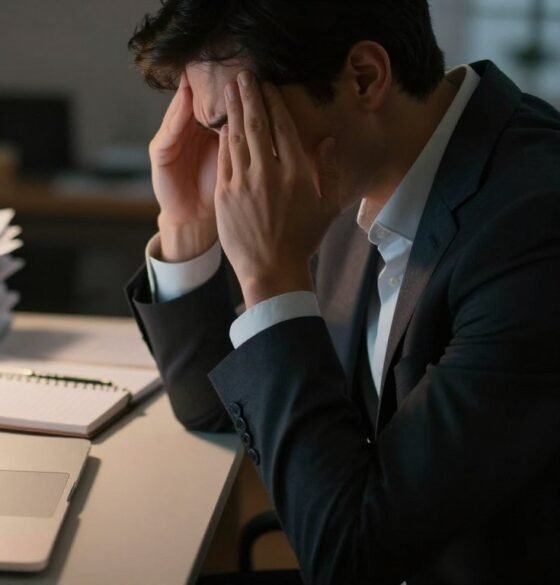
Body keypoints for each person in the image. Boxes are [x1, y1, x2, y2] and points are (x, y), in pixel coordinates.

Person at [124, 1, 560, 583]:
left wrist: (269, 278)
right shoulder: (362, 169)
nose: (234, 158)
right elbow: (215, 406)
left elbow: (350, 559)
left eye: (240, 121)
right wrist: (186, 223)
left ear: (364, 78)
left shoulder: (534, 228)